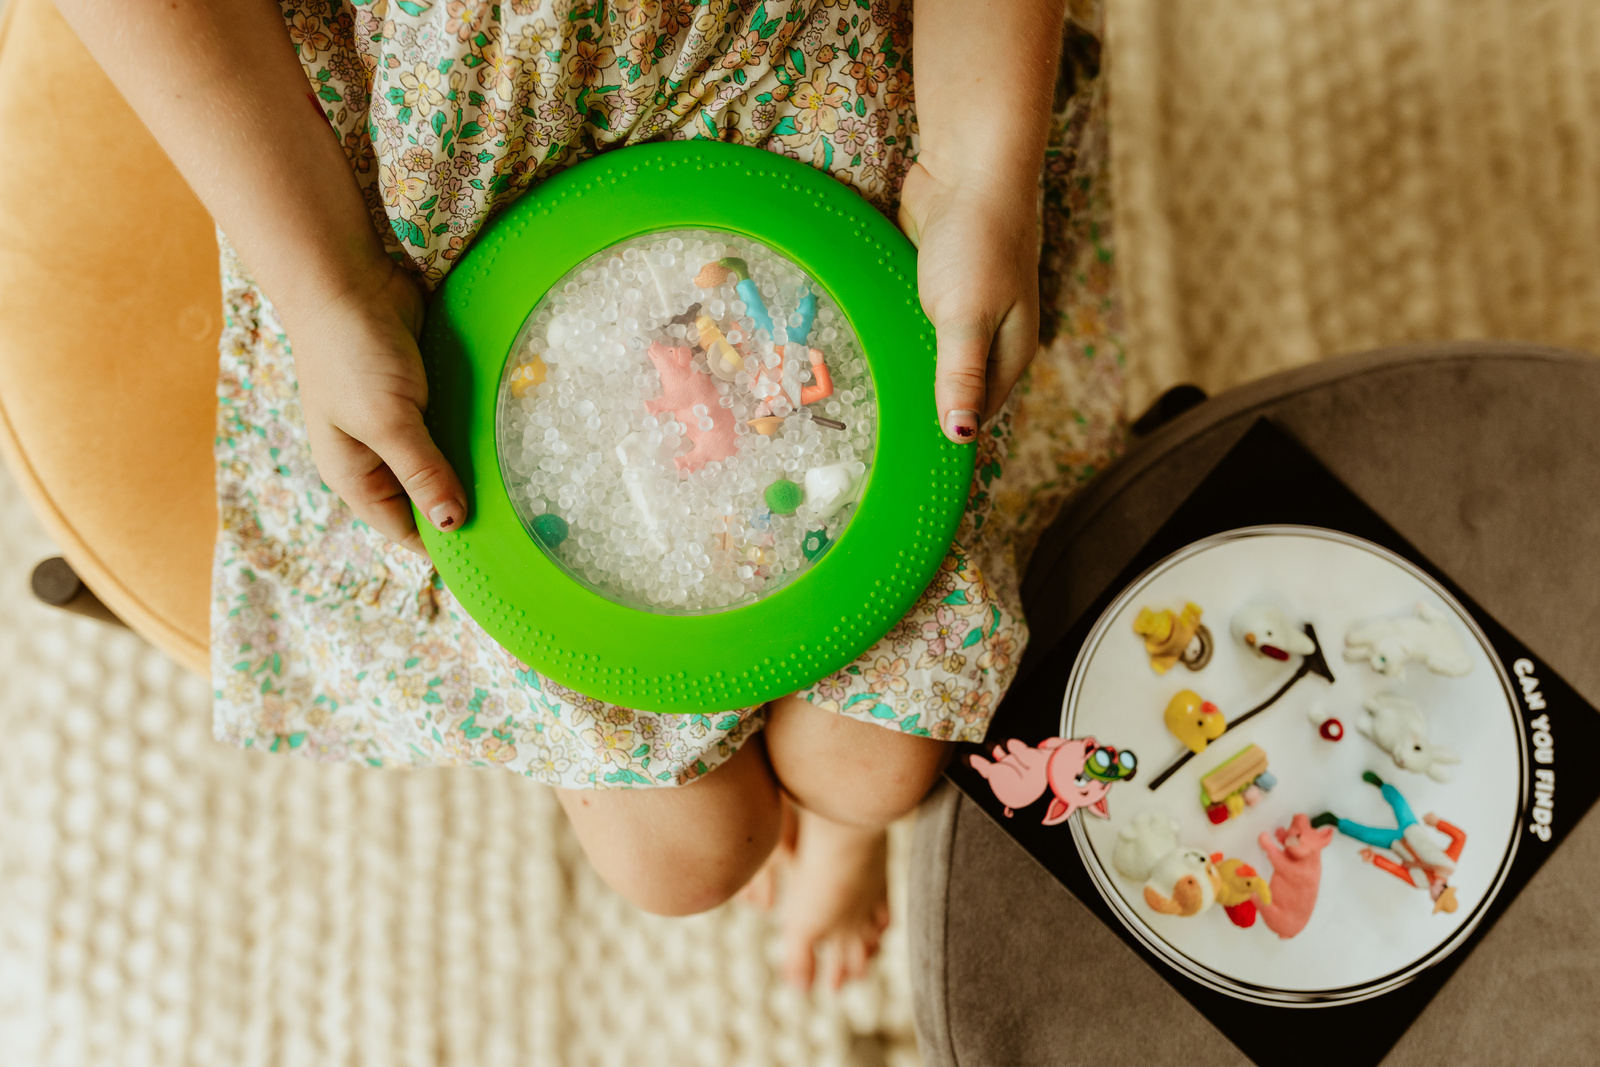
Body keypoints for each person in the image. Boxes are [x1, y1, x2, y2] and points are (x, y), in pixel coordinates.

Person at [58, 0, 1123, 989]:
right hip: (447, 178)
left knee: (877, 769)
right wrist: (328, 285)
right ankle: (727, 763)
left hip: (812, 92)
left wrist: (975, 176)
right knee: (683, 859)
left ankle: (845, 832)